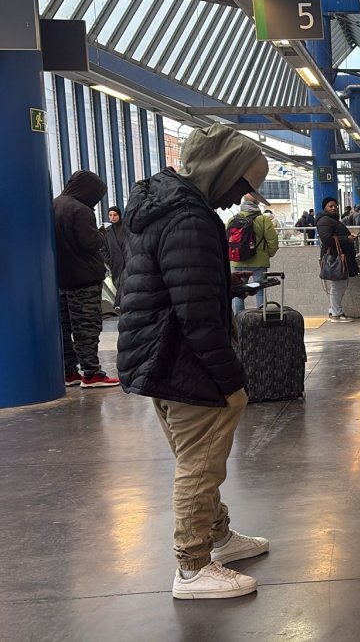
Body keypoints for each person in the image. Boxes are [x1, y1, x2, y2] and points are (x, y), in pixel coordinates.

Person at [117, 123, 272, 599]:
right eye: (244, 184)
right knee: (200, 466)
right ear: (223, 171)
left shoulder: (161, 208)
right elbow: (198, 316)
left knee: (197, 458)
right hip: (183, 359)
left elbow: (169, 287)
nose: (241, 196)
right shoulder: (191, 219)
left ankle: (218, 537)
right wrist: (232, 380)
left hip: (156, 354)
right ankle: (192, 566)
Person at [55, 171, 120, 388]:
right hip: (84, 278)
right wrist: (102, 234)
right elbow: (90, 243)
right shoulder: (80, 210)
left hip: (62, 279)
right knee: (87, 328)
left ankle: (69, 372)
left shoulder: (54, 205)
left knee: (65, 328)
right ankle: (92, 373)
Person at [226, 194, 279, 313]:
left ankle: (239, 319)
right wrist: (267, 254)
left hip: (238, 261)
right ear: (257, 204)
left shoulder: (232, 219)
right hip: (259, 262)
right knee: (260, 290)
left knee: (238, 292)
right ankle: (261, 318)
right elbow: (273, 241)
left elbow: (227, 240)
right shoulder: (263, 219)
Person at [316, 196, 359, 322]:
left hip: (339, 256)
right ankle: (336, 313)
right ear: (324, 207)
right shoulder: (324, 221)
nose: (333, 208)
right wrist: (347, 239)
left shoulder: (331, 220)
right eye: (330, 206)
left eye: (335, 206)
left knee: (339, 284)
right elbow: (327, 239)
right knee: (338, 285)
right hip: (334, 257)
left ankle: (333, 310)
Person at [101, 205, 128, 309]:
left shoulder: (126, 228)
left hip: (127, 261)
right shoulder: (107, 232)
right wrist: (109, 261)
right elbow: (104, 249)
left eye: (115, 215)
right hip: (115, 264)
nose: (112, 217)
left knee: (125, 282)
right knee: (120, 283)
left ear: (119, 216)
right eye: (110, 215)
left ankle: (119, 304)